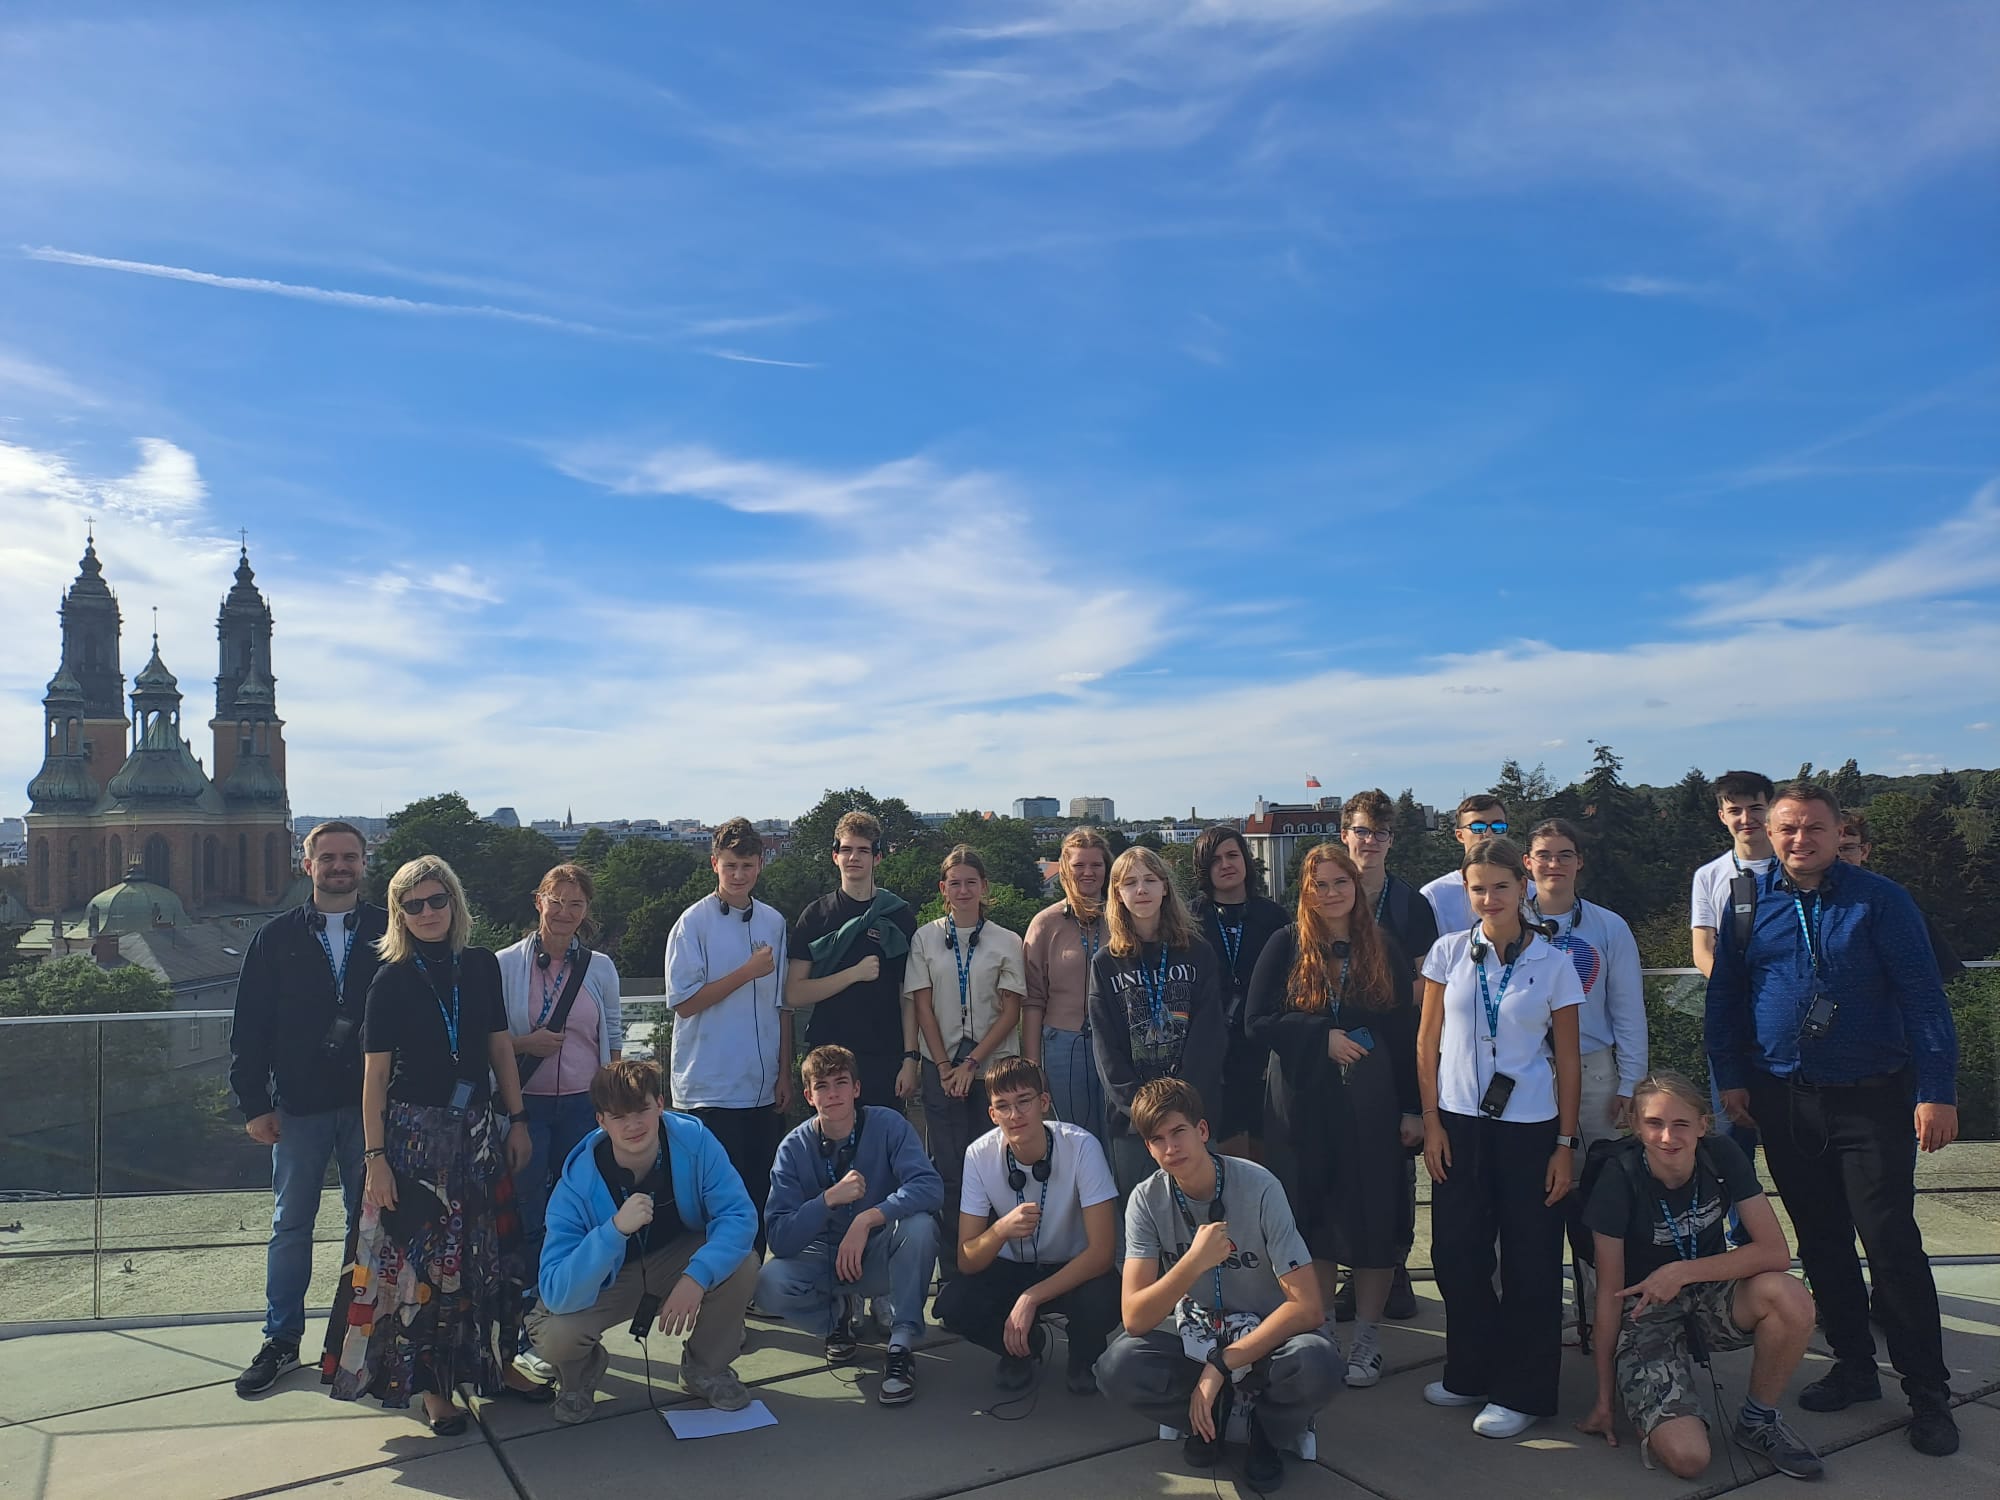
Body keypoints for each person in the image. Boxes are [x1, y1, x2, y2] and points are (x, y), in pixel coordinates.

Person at [1706, 782, 1962, 1457]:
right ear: (1770, 833)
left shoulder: (1880, 900)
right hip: (1784, 1097)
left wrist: (1936, 1090)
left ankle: (1928, 1393)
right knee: (1821, 1241)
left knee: (1890, 1244)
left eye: (1814, 828)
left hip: (1870, 1098)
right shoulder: (1747, 903)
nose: (1800, 840)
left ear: (1836, 830)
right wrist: (1731, 1077)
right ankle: (1853, 1366)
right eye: (1787, 828)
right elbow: (1725, 998)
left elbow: (1924, 999)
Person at [328, 856, 551, 1433]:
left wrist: (518, 1119)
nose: (427, 912)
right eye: (413, 905)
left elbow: (499, 1047)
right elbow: (375, 1077)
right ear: (399, 914)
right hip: (414, 1141)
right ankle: (433, 1388)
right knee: (424, 1271)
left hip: (475, 1132)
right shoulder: (391, 979)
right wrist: (375, 1159)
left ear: (454, 902)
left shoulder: (479, 965)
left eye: (436, 900)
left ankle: (500, 1364)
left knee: (490, 1259)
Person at [1094, 1079, 1341, 1493]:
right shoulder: (1146, 1199)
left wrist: (1222, 1365)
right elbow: (1135, 1318)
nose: (1171, 1147)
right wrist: (1193, 1262)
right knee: (1116, 1366)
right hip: (1198, 1335)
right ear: (1148, 1148)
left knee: (1319, 1362)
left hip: (1266, 1340)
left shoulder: (1260, 1186)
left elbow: (1307, 1306)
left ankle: (1265, 1427)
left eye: (1179, 1131)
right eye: (1157, 1140)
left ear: (1202, 1130)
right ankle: (1213, 1416)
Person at [1576, 1071, 1823, 1481]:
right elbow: (1609, 1295)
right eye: (1654, 1123)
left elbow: (1775, 1252)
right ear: (1635, 1124)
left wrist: (1680, 1272)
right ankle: (1662, 1391)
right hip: (1645, 1310)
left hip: (1707, 1290)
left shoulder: (1720, 1154)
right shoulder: (1619, 1178)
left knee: (1790, 1296)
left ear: (1703, 1126)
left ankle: (1758, 1419)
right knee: (1689, 1459)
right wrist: (1604, 1399)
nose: (1667, 1137)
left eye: (1681, 1124)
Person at [1417, 836, 1583, 1438]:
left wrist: (1565, 1145)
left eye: (1501, 887)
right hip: (1458, 1124)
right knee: (1457, 1254)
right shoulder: (1448, 953)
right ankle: (1470, 1371)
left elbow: (1569, 1060)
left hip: (1529, 1129)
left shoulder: (1554, 963)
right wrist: (1431, 1121)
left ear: (1524, 888)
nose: (1489, 898)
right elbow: (1427, 1042)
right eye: (1478, 888)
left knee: (1530, 1261)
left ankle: (1523, 1390)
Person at [1244, 844, 1420, 1390]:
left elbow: (1403, 1032)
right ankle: (1320, 1332)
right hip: (1303, 1102)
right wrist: (1321, 1035)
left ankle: (1367, 1336)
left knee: (1373, 1216)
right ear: (1305, 891)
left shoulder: (1382, 945)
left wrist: (1413, 1107)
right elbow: (1257, 1020)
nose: (1331, 893)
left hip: (1372, 1101)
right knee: (1311, 1217)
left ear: (1355, 886)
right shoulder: (1286, 944)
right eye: (1319, 884)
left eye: (1340, 881)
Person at [229, 820, 387, 1396]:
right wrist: (254, 1103)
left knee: (367, 1227)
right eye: (328, 858)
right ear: (308, 865)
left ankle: (354, 1337)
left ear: (364, 863)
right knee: (290, 1225)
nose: (339, 866)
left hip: (373, 1108)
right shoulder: (275, 937)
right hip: (298, 1107)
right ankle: (281, 1339)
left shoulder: (390, 929)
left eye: (350, 857)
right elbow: (250, 1026)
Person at [528, 1060, 760, 1424]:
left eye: (641, 1110)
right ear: (601, 1121)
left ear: (661, 1104)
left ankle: (706, 1368)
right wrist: (612, 1231)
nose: (633, 1125)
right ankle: (580, 1376)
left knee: (742, 1262)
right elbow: (557, 1292)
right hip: (611, 1280)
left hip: (675, 1262)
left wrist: (697, 1276)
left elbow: (739, 1217)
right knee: (557, 1333)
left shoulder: (696, 1142)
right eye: (618, 1116)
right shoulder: (576, 1184)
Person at [758, 1045, 943, 1406]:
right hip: (826, 1259)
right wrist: (826, 1200)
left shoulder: (888, 1124)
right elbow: (779, 1238)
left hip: (877, 1251)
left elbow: (929, 1187)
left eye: (841, 1082)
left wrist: (868, 1218)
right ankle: (837, 1317)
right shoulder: (792, 1148)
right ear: (809, 1096)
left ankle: (901, 1347)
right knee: (768, 1283)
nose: (833, 1094)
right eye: (821, 1086)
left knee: (920, 1228)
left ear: (857, 1088)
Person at [1524, 819, 1647, 1345]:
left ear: (1579, 862)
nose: (1554, 864)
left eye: (1564, 854)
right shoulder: (1507, 917)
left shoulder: (1608, 926)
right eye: (1544, 854)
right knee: (1531, 1194)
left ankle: (1603, 1315)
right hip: (1527, 1070)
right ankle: (1534, 1310)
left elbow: (1628, 1007)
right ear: (1527, 863)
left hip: (1596, 1071)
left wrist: (1631, 1082)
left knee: (1600, 1198)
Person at [935, 1057, 1121, 1396]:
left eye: (1024, 1101)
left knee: (1105, 1297)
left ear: (1044, 1102)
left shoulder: (1082, 1146)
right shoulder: (978, 1154)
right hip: (1012, 1267)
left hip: (1072, 1267)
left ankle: (1084, 1352)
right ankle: (1022, 1347)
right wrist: (1000, 1230)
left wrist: (1030, 1297)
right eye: (1003, 1106)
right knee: (954, 1305)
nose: (1014, 1114)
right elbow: (967, 1259)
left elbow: (1102, 1253)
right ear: (992, 1114)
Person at [664, 817, 791, 1258]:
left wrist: (784, 1073)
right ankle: (714, 1287)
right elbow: (684, 1003)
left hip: (760, 1087)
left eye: (747, 865)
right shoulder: (692, 923)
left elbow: (782, 1005)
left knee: (759, 1197)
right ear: (714, 864)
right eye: (731, 865)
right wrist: (746, 972)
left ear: (761, 865)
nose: (739, 875)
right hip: (709, 1089)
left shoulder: (774, 922)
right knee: (715, 1204)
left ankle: (750, 1283)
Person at [1336, 788, 1438, 1322]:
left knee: (1396, 1169)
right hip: (1340, 1053)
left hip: (1395, 1051)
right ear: (1345, 835)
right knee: (1346, 1168)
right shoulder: (1328, 893)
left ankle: (1394, 1270)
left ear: (1390, 840)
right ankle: (1353, 1273)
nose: (1370, 841)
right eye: (1361, 830)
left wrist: (1379, 1000)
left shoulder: (1409, 904)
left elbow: (1426, 985)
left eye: (1379, 833)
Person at [497, 864, 622, 1274]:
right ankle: (531, 1286)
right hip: (525, 1104)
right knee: (527, 1200)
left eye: (576, 904)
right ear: (539, 902)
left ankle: (573, 1285)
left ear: (586, 910)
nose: (565, 912)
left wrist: (613, 1099)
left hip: (584, 1104)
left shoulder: (599, 967)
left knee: (579, 1198)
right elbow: (487, 1037)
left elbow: (613, 1033)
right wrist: (525, 1044)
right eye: (557, 902)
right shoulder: (505, 964)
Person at [904, 845, 1025, 1262]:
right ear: (943, 889)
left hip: (992, 1071)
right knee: (949, 1169)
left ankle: (997, 1261)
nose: (963, 890)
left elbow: (1011, 1012)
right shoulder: (925, 938)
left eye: (971, 882)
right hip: (940, 1069)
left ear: (984, 887)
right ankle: (955, 1265)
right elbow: (922, 1008)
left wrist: (971, 1064)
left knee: (995, 1166)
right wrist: (944, 1066)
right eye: (954, 883)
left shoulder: (1007, 941)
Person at [1088, 846, 1227, 1199]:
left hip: (1192, 1113)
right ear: (1117, 893)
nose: (1141, 889)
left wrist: (1181, 1107)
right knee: (1144, 1210)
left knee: (1200, 1205)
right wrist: (1144, 1110)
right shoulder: (1105, 963)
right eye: (1130, 882)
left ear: (1165, 887)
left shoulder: (1198, 952)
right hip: (1134, 1122)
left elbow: (1209, 1035)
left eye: (1150, 880)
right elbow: (1106, 1049)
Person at [1689, 769, 1776, 1231]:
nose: (1747, 818)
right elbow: (1702, 948)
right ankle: (1741, 1241)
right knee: (1732, 1137)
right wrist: (1735, 987)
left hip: (1784, 1024)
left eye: (1755, 808)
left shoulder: (1793, 868)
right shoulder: (1710, 876)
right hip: (1733, 1024)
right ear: (1722, 815)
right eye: (1735, 810)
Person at [786, 811, 920, 1109]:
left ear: (878, 857)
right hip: (827, 1056)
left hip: (884, 1054)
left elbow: (908, 995)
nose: (853, 857)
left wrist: (911, 1058)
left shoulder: (899, 915)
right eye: (846, 849)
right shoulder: (816, 916)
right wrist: (853, 974)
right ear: (835, 856)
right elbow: (794, 993)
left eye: (863, 850)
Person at [1189, 826, 1288, 1159]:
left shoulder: (1274, 917)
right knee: (1223, 1149)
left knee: (1265, 1146)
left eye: (1232, 855)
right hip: (1210, 1048)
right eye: (1215, 860)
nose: (1226, 865)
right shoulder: (1189, 919)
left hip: (1262, 1045)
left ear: (1246, 859)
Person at [1022, 827, 1113, 1149]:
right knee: (1074, 1140)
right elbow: (1032, 999)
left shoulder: (1123, 919)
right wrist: (1032, 1066)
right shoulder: (1045, 924)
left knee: (1117, 1137)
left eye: (1096, 865)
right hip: (1064, 1045)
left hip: (1116, 1044)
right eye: (1079, 865)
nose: (1088, 872)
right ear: (1064, 868)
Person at [1836, 811, 1968, 982]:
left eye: (1847, 848)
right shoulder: (1802, 904)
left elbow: (1933, 975)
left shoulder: (1891, 903)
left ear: (1865, 851)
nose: (1838, 856)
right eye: (1830, 849)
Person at [1420, 795, 1531, 934]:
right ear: (1460, 835)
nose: (1488, 833)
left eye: (1497, 827)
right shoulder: (1435, 895)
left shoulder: (1533, 892)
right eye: (1478, 827)